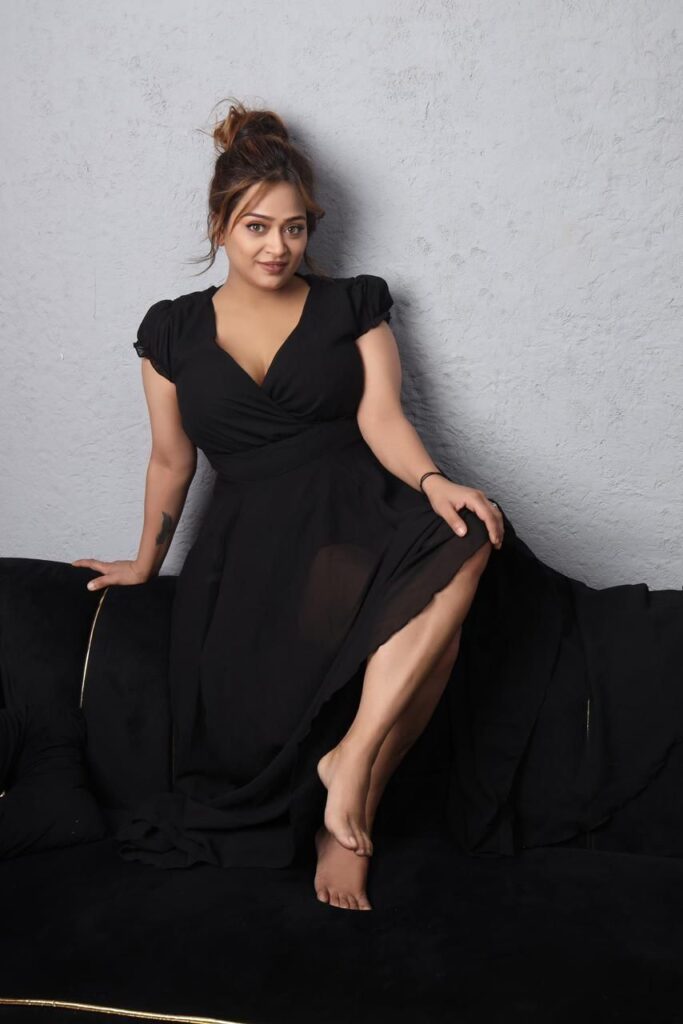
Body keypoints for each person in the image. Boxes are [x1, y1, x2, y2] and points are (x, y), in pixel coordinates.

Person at [70, 100, 682, 912]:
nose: (277, 247)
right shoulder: (170, 331)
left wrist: (432, 482)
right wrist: (145, 562)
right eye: (256, 227)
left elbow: (382, 418)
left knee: (467, 534)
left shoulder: (352, 304)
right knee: (424, 634)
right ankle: (341, 785)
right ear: (219, 225)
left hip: (354, 517)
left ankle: (352, 772)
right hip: (247, 549)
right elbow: (171, 459)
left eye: (294, 228)